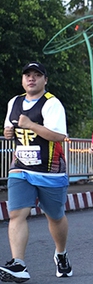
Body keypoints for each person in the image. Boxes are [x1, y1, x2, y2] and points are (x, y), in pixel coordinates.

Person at [0, 62, 72, 281]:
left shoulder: (52, 104)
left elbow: (59, 136)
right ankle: (19, 264)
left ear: (45, 80)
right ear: (23, 80)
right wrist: (8, 131)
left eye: (37, 75)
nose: (31, 79)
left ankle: (61, 253)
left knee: (55, 217)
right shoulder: (14, 102)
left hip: (50, 171)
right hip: (20, 168)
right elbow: (10, 127)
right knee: (16, 214)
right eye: (27, 75)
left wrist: (31, 125)